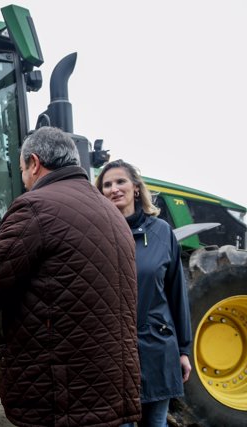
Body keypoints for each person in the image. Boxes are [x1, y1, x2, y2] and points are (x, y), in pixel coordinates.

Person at [0, 126, 141, 427]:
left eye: (23, 170)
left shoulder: (36, 207)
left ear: (35, 163)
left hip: (59, 394)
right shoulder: (113, 213)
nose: (24, 181)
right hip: (112, 387)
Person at [96, 159, 192, 427]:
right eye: (107, 185)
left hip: (158, 350)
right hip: (114, 355)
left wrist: (183, 350)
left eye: (120, 181)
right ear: (100, 192)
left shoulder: (162, 233)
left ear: (136, 188)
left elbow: (177, 295)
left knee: (156, 423)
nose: (114, 189)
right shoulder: (98, 236)